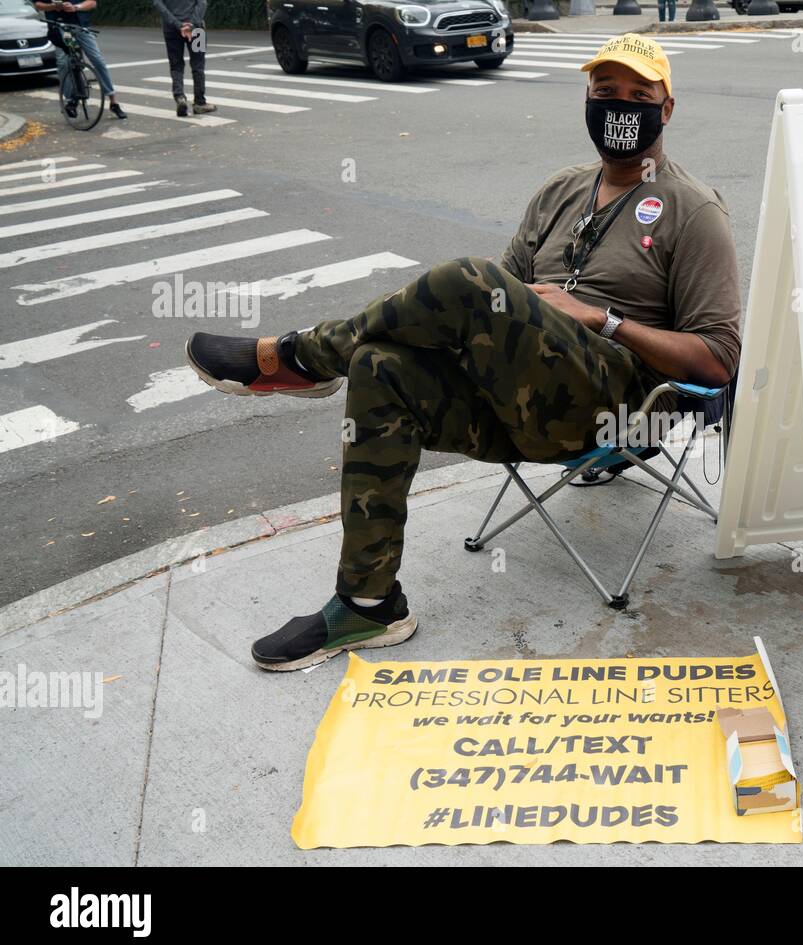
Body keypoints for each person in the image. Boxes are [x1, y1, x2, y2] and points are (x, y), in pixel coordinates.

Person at [183, 34, 742, 672]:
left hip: (611, 407)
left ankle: (301, 358)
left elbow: (719, 359)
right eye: (605, 93)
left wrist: (603, 319)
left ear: (666, 109)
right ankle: (368, 603)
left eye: (639, 96)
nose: (620, 107)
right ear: (585, 101)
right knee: (380, 367)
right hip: (514, 405)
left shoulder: (693, 211)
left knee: (468, 278)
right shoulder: (561, 191)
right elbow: (483, 304)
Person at [35, 0, 127, 120]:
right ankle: (70, 101)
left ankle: (113, 101)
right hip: (59, 27)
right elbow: (38, 4)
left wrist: (76, 7)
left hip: (81, 26)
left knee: (97, 60)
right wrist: (54, 6)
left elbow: (92, 2)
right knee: (63, 63)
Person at [151, 0, 215, 116]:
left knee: (176, 65)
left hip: (171, 30)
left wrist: (177, 24)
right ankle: (199, 103)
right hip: (197, 30)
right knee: (198, 66)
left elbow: (158, 3)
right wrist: (192, 24)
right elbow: (202, 3)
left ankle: (180, 98)